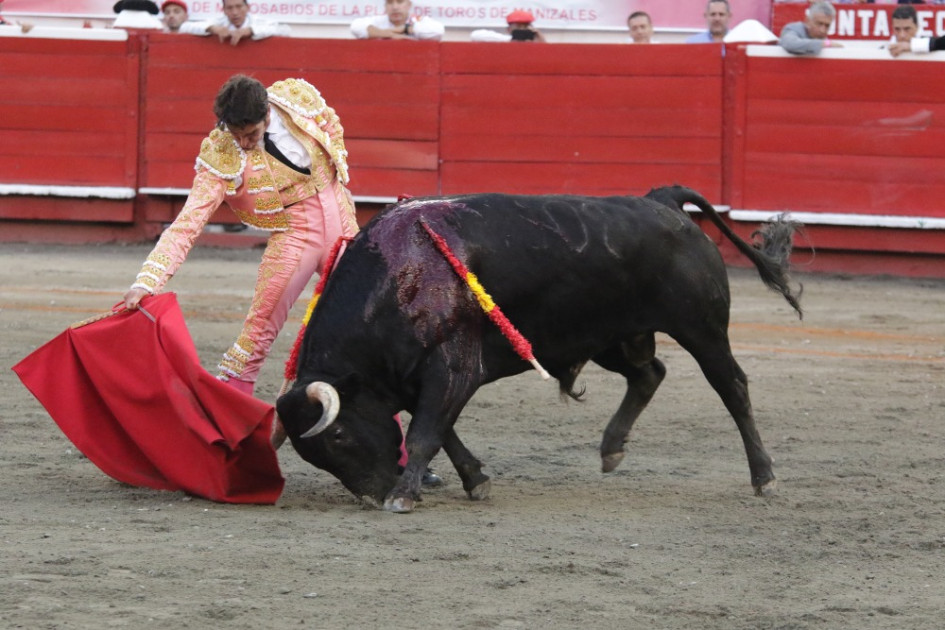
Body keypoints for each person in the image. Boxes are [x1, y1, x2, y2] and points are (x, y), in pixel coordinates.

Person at [124, 75, 357, 396]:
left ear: (267, 114)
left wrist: (340, 185)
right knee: (256, 335)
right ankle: (230, 416)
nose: (244, 143)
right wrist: (147, 282)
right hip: (295, 235)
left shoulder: (297, 99)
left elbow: (331, 132)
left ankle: (384, 421)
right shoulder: (222, 151)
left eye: (252, 134)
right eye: (236, 135)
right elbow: (188, 222)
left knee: (369, 319)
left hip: (343, 224)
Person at [190, 0, 290, 45]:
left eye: (239, 6)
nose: (235, 12)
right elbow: (185, 27)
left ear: (247, 7)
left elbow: (285, 30)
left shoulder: (257, 22)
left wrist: (251, 30)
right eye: (230, 8)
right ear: (224, 10)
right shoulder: (219, 22)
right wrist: (212, 28)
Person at [350, 0, 444, 41]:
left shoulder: (419, 20)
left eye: (400, 2)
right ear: (385, 6)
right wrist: (391, 34)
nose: (395, 7)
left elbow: (438, 31)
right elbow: (355, 27)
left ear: (409, 5)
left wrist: (404, 29)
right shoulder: (378, 20)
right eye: (390, 2)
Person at [779, 1, 843, 54]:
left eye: (827, 25)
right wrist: (825, 43)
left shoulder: (823, 39)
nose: (822, 30)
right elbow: (790, 44)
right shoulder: (793, 29)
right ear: (807, 21)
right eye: (819, 24)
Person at [470, 9, 545, 43]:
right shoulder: (504, 41)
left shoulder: (534, 43)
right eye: (518, 27)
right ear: (509, 29)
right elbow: (475, 35)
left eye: (525, 27)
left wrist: (540, 39)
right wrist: (510, 40)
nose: (522, 30)